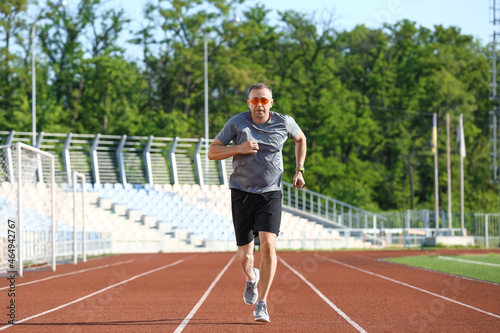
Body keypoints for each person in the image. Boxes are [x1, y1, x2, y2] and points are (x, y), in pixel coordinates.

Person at [208, 82, 307, 323]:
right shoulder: (237, 123)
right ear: (249, 102)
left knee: (269, 246)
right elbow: (212, 152)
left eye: (264, 100)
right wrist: (239, 148)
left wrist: (299, 170)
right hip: (241, 193)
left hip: (270, 193)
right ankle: (252, 278)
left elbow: (301, 138)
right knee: (245, 256)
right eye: (255, 100)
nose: (259, 105)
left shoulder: (284, 122)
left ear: (271, 103)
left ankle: (262, 304)